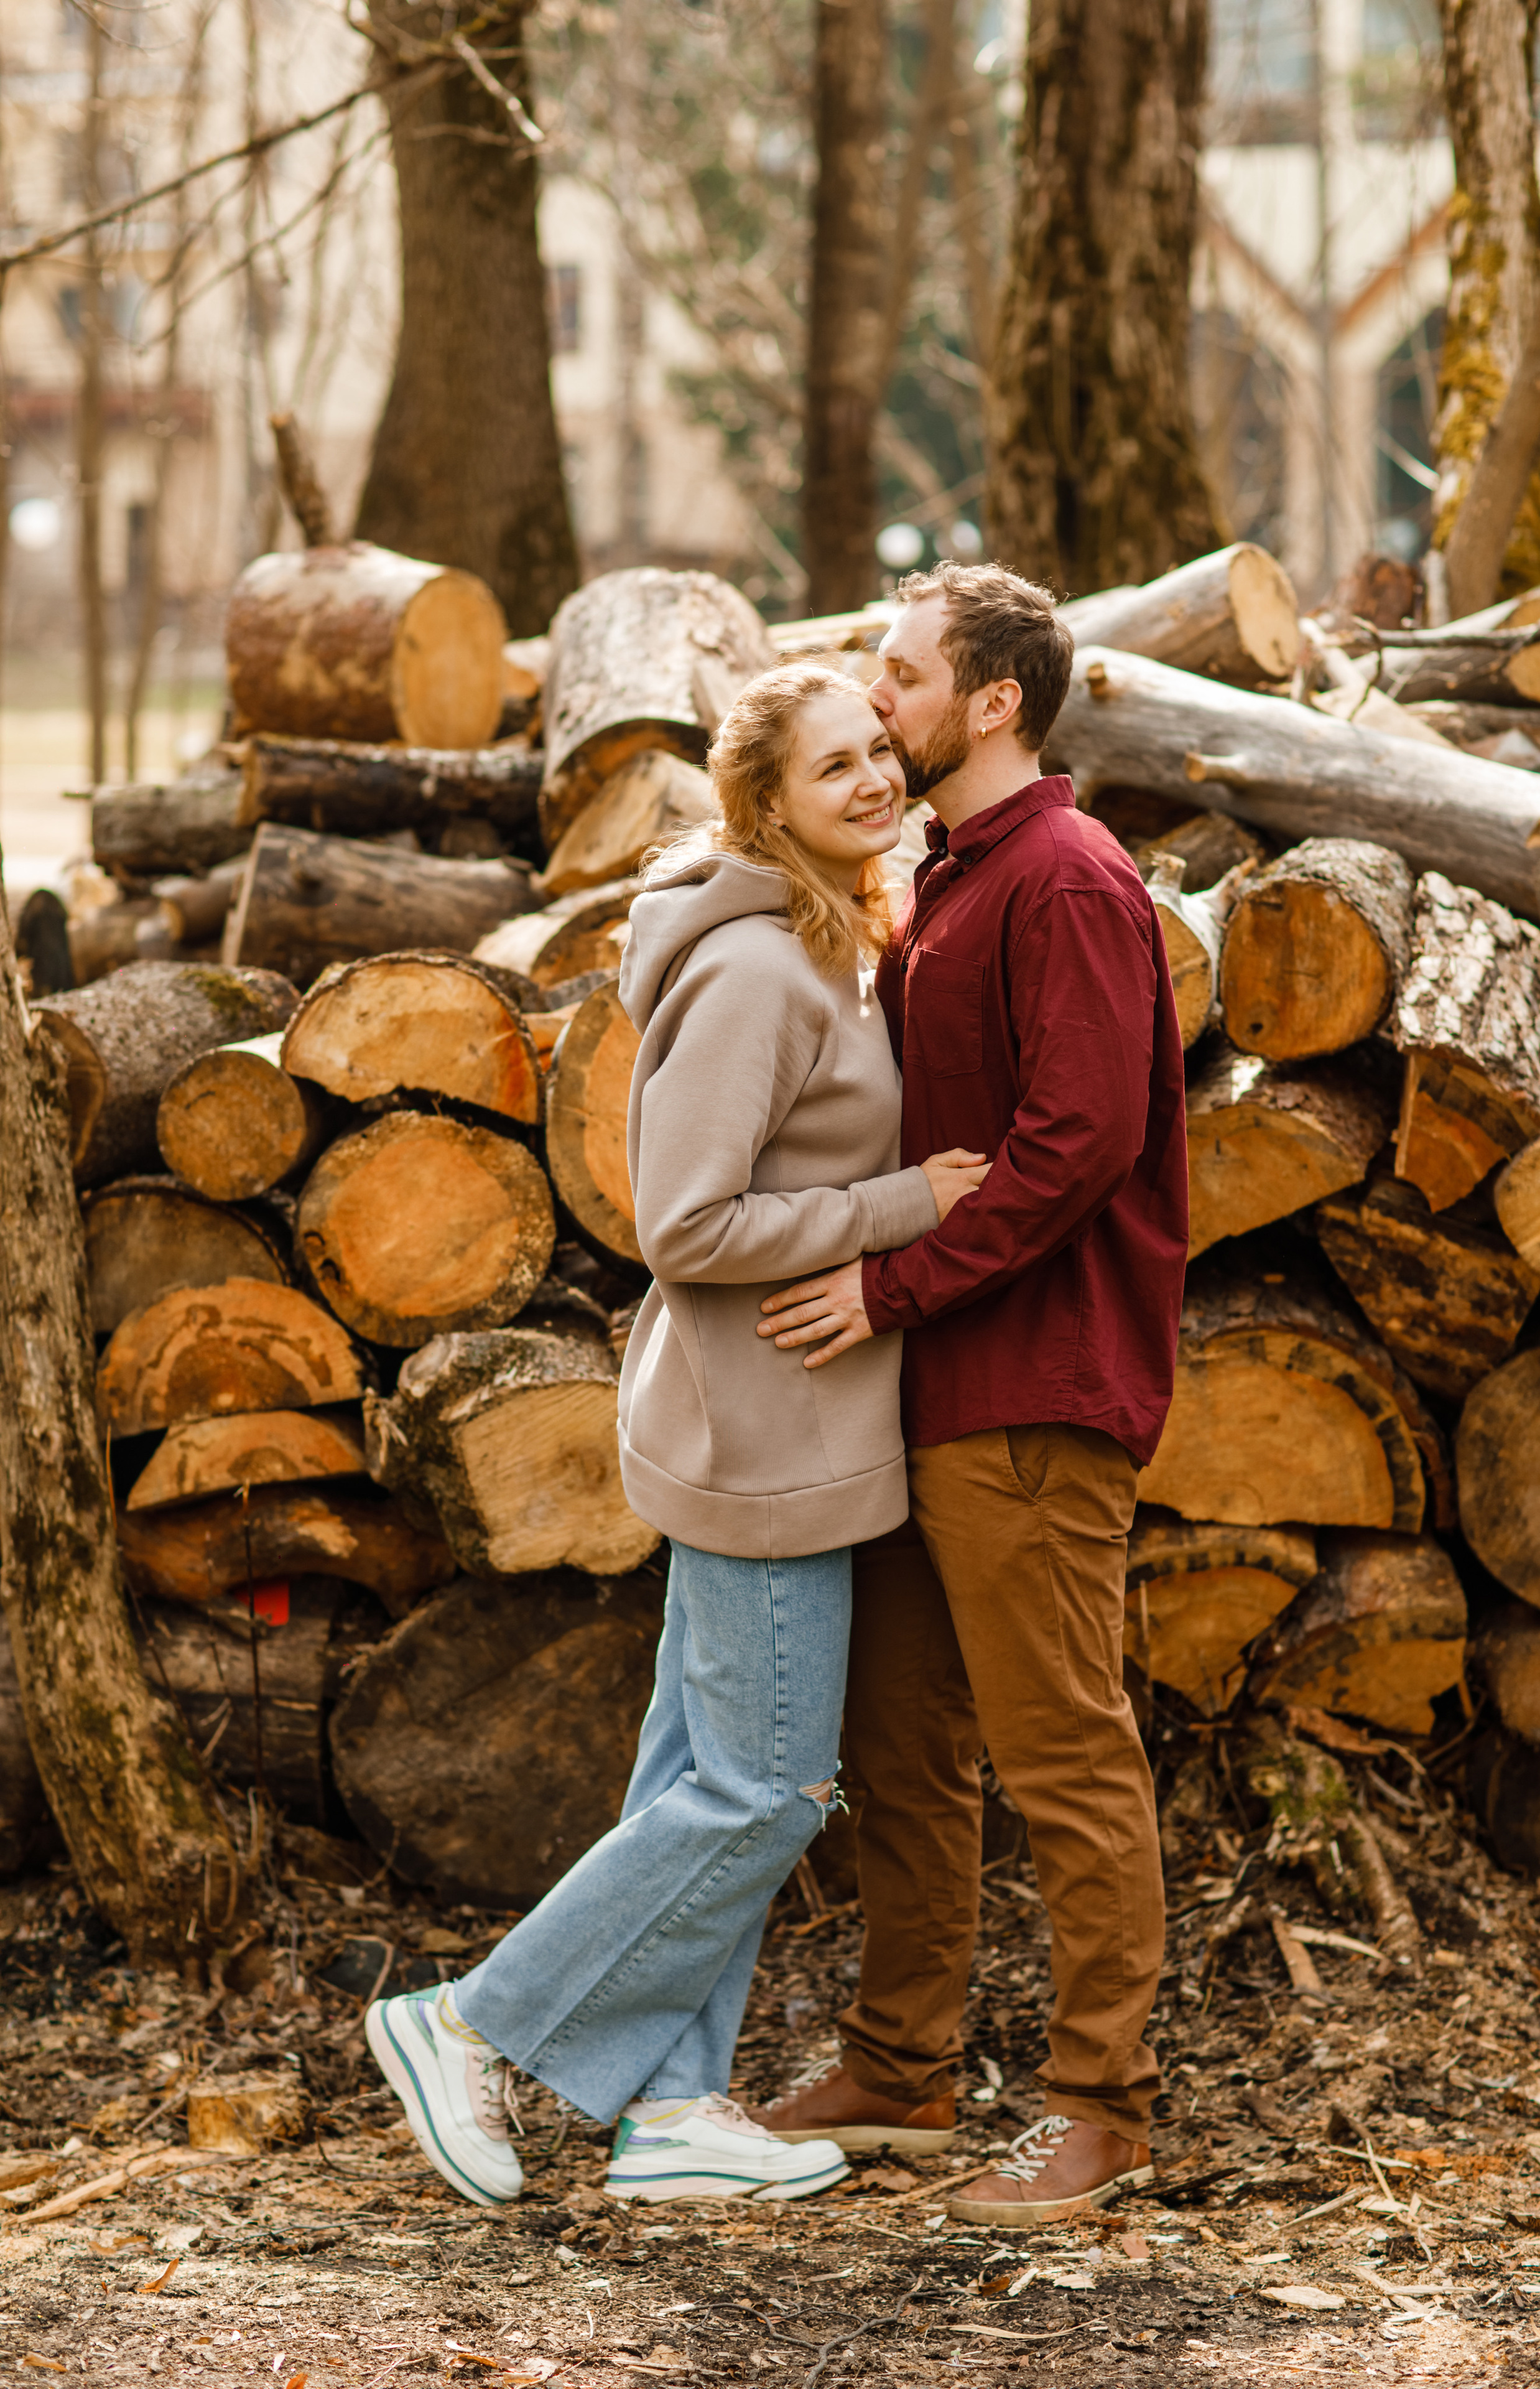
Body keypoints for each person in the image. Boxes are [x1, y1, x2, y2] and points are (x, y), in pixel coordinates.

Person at [363, 660, 988, 2210]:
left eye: (876, 756)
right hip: (759, 1436)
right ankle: (468, 2026)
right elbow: (688, 1221)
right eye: (830, 766)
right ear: (763, 803)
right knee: (766, 1792)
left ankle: (671, 2108)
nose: (870, 783)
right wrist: (913, 1204)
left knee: (696, 1777)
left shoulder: (815, 942)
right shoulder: (757, 972)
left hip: (781, 1422)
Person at [751, 562, 1189, 2225]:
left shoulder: (1066, 879)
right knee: (906, 1747)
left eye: (905, 671)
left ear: (993, 700)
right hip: (923, 1394)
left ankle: (1103, 2111)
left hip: (1031, 1385)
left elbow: (1078, 1145)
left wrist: (885, 1285)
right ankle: (903, 2068)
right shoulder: (941, 875)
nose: (879, 697)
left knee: (1063, 1749)